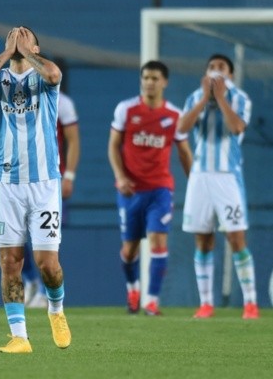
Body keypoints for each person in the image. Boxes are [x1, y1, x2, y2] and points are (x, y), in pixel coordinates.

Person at [0, 26, 71, 352]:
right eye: (12, 38)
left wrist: (26, 52)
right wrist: (6, 54)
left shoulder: (44, 80)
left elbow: (54, 74)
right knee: (9, 261)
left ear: (36, 47)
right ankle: (19, 337)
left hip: (44, 184)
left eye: (25, 38)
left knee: (47, 265)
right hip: (7, 184)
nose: (17, 41)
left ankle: (56, 310)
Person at [108, 60, 192, 316]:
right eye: (145, 77)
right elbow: (113, 146)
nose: (149, 82)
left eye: (155, 78)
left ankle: (152, 300)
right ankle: (133, 289)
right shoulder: (126, 109)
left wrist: (196, 185)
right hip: (130, 190)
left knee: (157, 240)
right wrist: (120, 177)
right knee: (129, 249)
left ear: (164, 82)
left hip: (160, 189)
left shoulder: (175, 116)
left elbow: (185, 153)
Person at [177, 54, 259, 320]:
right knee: (203, 241)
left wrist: (221, 99)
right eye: (211, 67)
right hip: (200, 177)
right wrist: (203, 100)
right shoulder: (194, 97)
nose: (216, 71)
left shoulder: (240, 99)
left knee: (236, 239)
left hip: (227, 178)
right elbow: (181, 129)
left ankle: (250, 304)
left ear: (230, 75)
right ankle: (206, 304)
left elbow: (236, 128)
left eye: (221, 68)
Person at [23, 91, 80, 308]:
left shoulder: (62, 102)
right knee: (16, 236)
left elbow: (73, 140)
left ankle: (48, 292)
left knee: (47, 240)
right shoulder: (18, 96)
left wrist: (70, 176)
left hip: (49, 182)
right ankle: (30, 281)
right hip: (18, 180)